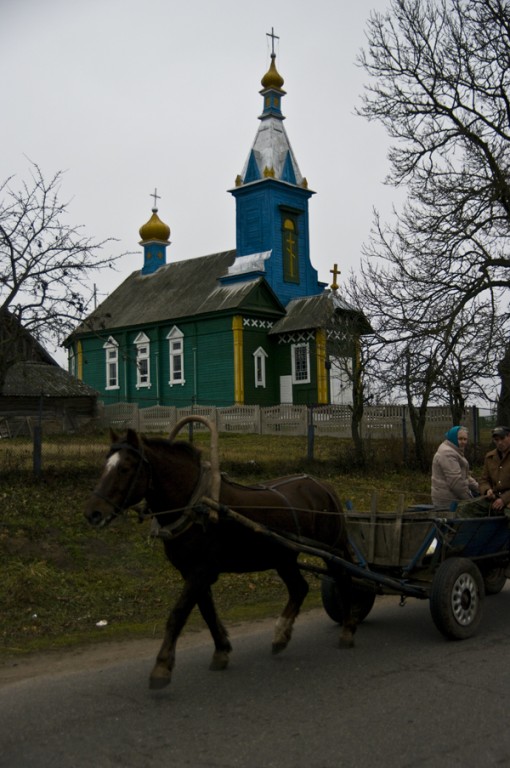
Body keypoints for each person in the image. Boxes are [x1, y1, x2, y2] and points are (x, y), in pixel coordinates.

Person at [459, 425, 510, 517]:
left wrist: (504, 499)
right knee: (468, 509)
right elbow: (484, 480)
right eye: (496, 440)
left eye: (502, 438)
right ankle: (459, 531)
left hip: (508, 499)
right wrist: (487, 490)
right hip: (493, 498)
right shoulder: (490, 457)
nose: (500, 442)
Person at [431, 426, 479, 507]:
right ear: (452, 437)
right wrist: (470, 500)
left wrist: (479, 488)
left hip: (453, 496)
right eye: (460, 439)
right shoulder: (448, 453)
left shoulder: (455, 450)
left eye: (465, 439)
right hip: (448, 501)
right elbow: (455, 482)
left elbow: (465, 476)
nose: (463, 442)